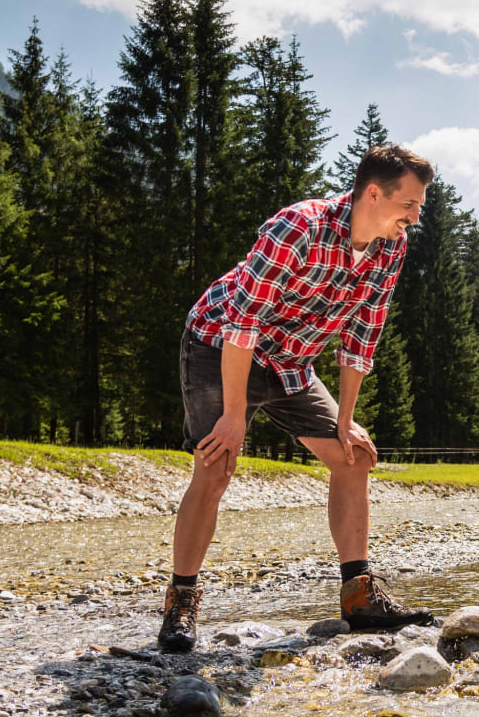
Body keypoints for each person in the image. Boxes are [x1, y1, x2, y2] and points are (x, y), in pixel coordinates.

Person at [158, 144, 436, 653]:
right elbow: (243, 322)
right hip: (220, 343)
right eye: (410, 205)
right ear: (374, 194)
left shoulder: (390, 249)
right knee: (217, 466)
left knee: (355, 457)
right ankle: (181, 602)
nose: (415, 217)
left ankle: (359, 597)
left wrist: (346, 420)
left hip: (290, 361)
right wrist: (235, 415)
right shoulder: (298, 227)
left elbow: (360, 339)